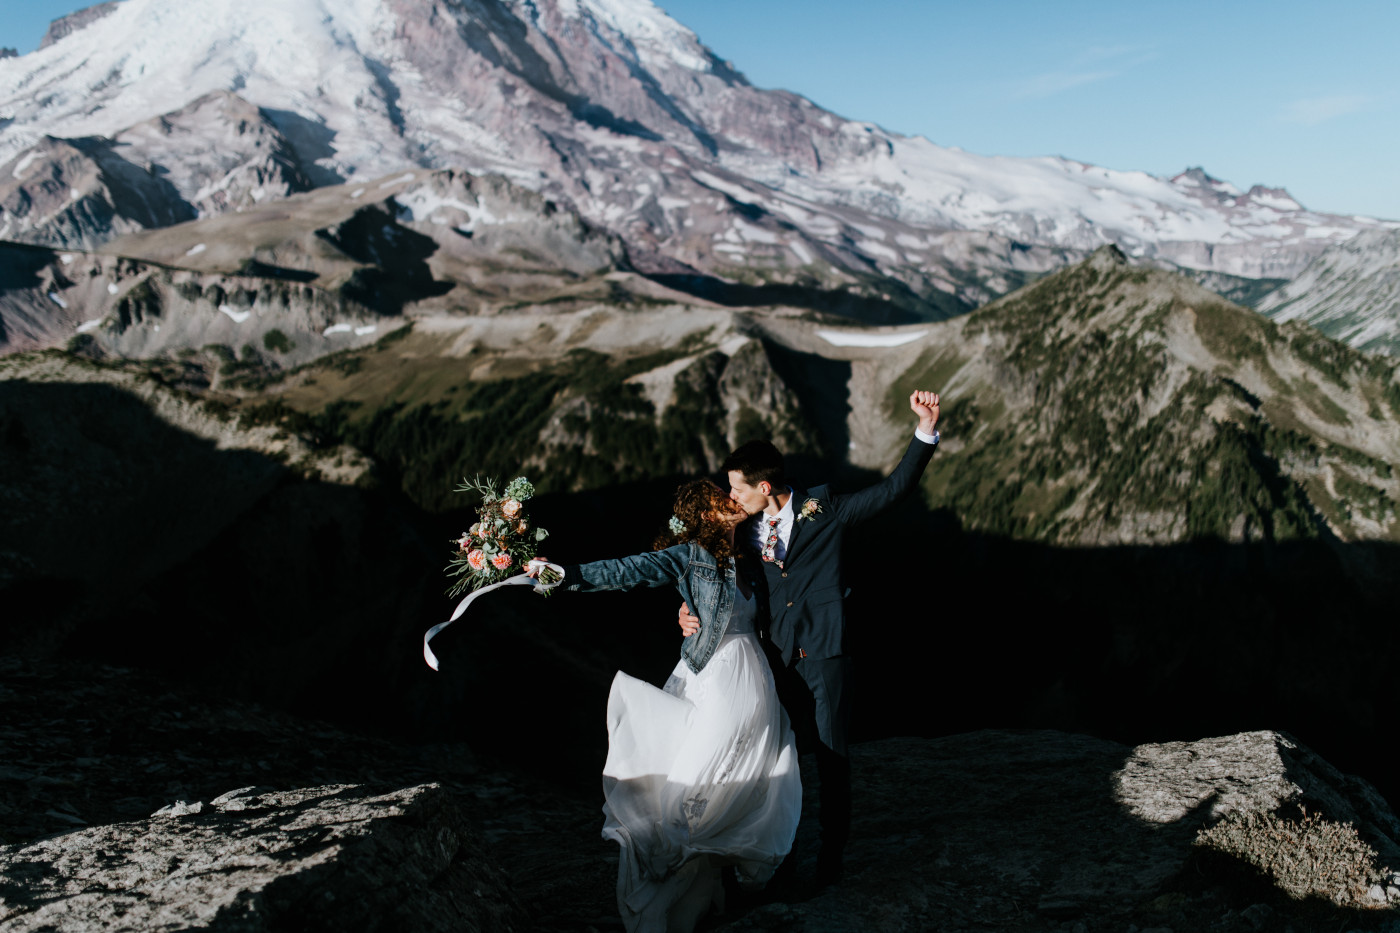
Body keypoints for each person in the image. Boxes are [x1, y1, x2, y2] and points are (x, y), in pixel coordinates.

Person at [679, 389, 940, 885]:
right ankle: (781, 858)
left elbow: (893, 491)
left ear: (766, 485)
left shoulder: (827, 510)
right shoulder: (745, 533)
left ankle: (830, 860)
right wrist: (688, 609)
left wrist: (924, 430)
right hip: (773, 657)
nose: (731, 499)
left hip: (827, 653)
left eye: (738, 490)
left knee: (831, 757)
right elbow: (715, 578)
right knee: (781, 760)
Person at [529, 479, 801, 933]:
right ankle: (674, 871)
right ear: (706, 515)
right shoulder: (689, 556)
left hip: (754, 679)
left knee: (746, 772)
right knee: (700, 777)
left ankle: (719, 878)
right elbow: (625, 571)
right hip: (714, 678)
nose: (732, 500)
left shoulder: (749, 557)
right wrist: (562, 576)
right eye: (722, 499)